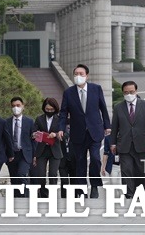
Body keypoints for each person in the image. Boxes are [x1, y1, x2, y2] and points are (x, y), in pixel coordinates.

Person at [58, 64, 111, 198]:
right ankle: (81, 189)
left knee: (95, 158)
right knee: (80, 161)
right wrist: (60, 129)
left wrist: (107, 125)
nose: (78, 76)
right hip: (77, 133)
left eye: (81, 74)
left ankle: (94, 185)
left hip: (95, 131)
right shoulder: (68, 93)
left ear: (87, 76)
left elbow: (103, 108)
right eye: (76, 74)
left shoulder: (96, 89)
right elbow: (63, 113)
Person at [110, 81, 145, 198]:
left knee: (141, 173)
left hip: (142, 144)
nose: (129, 94)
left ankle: (142, 195)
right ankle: (129, 195)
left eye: (131, 92)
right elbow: (114, 127)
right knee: (126, 172)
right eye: (126, 92)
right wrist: (112, 143)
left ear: (136, 91)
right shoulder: (118, 108)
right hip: (124, 145)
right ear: (123, 93)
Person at [31, 97, 62, 198]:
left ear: (55, 109)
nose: (49, 111)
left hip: (55, 150)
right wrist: (35, 135)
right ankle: (44, 195)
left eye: (51, 110)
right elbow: (33, 133)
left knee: (53, 174)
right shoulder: (39, 119)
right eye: (47, 109)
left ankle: (52, 195)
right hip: (42, 150)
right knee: (41, 175)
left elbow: (65, 134)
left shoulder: (60, 119)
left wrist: (56, 134)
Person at [6, 96, 35, 197]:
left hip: (25, 154)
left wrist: (34, 155)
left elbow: (34, 139)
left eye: (18, 105)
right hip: (12, 155)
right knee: (14, 179)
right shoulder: (6, 122)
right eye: (13, 106)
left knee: (22, 175)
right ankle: (16, 200)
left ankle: (25, 198)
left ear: (23, 106)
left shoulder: (29, 121)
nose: (16, 108)